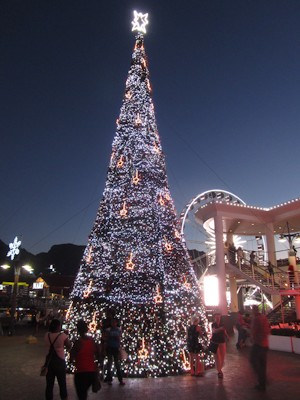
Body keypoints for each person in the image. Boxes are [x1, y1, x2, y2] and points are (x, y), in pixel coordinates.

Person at [70, 320, 102, 400]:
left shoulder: (78, 343)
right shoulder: (92, 341)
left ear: (78, 329)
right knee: (84, 394)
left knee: (82, 395)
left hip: (81, 372)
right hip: (91, 372)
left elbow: (71, 357)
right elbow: (99, 354)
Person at [44, 318, 71, 400]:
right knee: (62, 383)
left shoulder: (47, 335)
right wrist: (67, 336)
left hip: (49, 362)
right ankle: (64, 398)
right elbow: (69, 346)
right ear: (58, 326)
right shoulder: (62, 336)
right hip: (60, 362)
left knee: (49, 384)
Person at [250, 305, 270, 392]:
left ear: (254, 310)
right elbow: (268, 330)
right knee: (262, 364)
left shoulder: (256, 319)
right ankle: (262, 384)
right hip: (265, 344)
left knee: (253, 360)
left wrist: (253, 338)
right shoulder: (264, 317)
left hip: (258, 344)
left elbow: (254, 331)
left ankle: (262, 378)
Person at [105, 318, 125, 385]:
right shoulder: (108, 330)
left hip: (115, 348)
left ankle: (120, 380)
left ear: (116, 323)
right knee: (110, 364)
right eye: (112, 322)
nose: (113, 323)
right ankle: (109, 380)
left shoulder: (119, 330)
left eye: (114, 322)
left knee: (117, 364)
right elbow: (105, 338)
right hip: (110, 347)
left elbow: (119, 338)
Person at [211, 313, 229, 379]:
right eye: (216, 317)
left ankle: (220, 368)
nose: (218, 318)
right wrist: (220, 329)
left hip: (222, 342)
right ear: (214, 318)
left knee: (222, 357)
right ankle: (219, 371)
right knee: (217, 357)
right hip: (215, 342)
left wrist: (227, 336)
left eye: (219, 317)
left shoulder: (222, 324)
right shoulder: (213, 324)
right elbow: (214, 331)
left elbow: (224, 331)